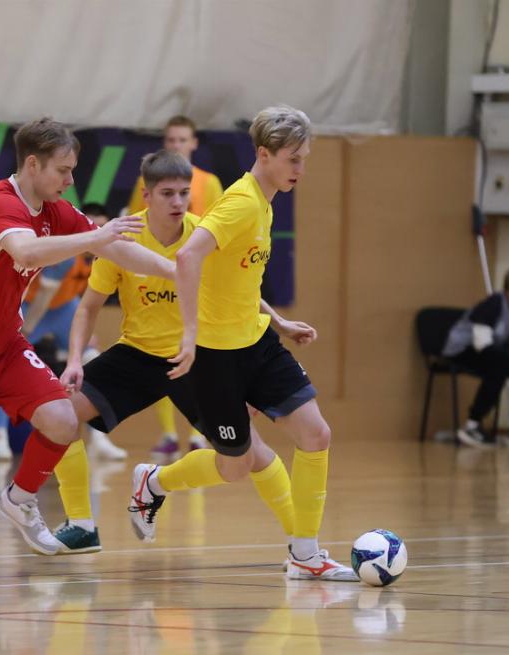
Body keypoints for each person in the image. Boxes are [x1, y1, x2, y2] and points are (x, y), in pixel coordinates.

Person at [0, 117, 175, 569]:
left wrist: (175, 270)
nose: (70, 180)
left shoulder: (55, 209)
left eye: (73, 170)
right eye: (63, 170)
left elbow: (116, 249)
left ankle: (19, 500)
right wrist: (94, 236)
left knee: (63, 419)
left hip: (6, 347)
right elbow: (26, 251)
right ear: (34, 164)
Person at [49, 149, 298, 555]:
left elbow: (239, 290)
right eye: (168, 194)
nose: (179, 202)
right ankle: (81, 525)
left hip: (195, 357)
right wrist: (75, 359)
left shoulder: (204, 234)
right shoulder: (123, 239)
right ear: (147, 196)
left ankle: (301, 545)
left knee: (247, 459)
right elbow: (88, 307)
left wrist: (279, 324)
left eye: (185, 193)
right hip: (136, 353)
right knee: (58, 416)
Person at [150, 105, 358, 581]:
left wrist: (279, 322)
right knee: (235, 466)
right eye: (293, 159)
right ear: (264, 155)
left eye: (304, 159)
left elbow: (238, 281)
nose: (300, 169)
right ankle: (156, 481)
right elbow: (188, 257)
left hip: (257, 343)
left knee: (316, 434)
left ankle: (305, 554)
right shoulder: (241, 202)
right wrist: (189, 333)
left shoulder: (266, 201)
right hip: (217, 357)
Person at [0, 203, 125, 462]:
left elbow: (87, 299)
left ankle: (99, 438)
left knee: (92, 357)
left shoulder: (104, 256)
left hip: (64, 308)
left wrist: (82, 336)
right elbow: (43, 298)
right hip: (33, 307)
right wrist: (24, 331)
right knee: (5, 365)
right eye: (92, 227)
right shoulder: (66, 254)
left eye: (101, 228)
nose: (97, 233)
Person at [128, 115, 225, 462]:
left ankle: (198, 434)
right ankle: (169, 434)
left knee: (199, 354)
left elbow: (218, 229)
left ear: (194, 143)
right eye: (171, 140)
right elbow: (132, 227)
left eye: (182, 139)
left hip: (195, 276)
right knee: (164, 354)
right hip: (157, 278)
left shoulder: (208, 183)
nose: (176, 145)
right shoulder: (145, 183)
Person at [443, 266, 509, 448]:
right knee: (501, 362)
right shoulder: (493, 304)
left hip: (494, 351)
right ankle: (473, 425)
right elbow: (482, 345)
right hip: (462, 350)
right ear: (507, 292)